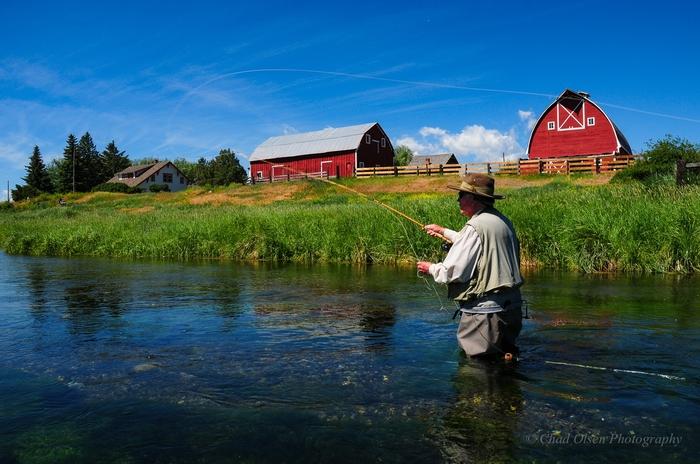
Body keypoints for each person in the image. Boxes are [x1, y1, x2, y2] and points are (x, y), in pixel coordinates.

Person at [417, 174, 523, 358]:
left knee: (477, 373)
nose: (458, 199)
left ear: (474, 198)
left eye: (462, 195)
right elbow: (480, 245)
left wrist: (431, 268)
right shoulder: (502, 221)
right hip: (512, 308)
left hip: (486, 315)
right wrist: (443, 231)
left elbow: (453, 272)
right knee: (502, 364)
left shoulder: (474, 227)